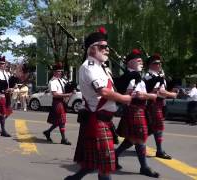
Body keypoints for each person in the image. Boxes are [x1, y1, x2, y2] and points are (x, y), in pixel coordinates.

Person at [65, 27, 132, 180]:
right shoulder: (88, 67)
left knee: (94, 163)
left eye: (107, 47)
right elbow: (103, 92)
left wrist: (129, 78)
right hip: (97, 120)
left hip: (104, 120)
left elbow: (114, 88)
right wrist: (124, 99)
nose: (107, 50)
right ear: (91, 49)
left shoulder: (103, 69)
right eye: (103, 47)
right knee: (105, 165)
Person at [115, 49, 159, 178]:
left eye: (141, 59)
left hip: (141, 109)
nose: (141, 61)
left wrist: (146, 95)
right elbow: (122, 95)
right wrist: (137, 95)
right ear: (129, 63)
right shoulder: (127, 78)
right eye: (137, 59)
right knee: (140, 138)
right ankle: (144, 167)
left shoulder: (139, 77)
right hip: (133, 109)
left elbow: (151, 96)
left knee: (131, 139)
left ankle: (114, 156)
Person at [144, 53, 177, 159]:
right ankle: (159, 150)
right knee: (158, 127)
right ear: (150, 65)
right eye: (156, 63)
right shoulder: (149, 76)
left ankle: (139, 145)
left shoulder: (158, 76)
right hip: (153, 104)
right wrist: (172, 95)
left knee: (151, 128)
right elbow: (160, 92)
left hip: (159, 104)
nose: (159, 65)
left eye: (159, 63)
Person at [43, 62, 72, 145]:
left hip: (62, 101)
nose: (60, 73)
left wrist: (71, 89)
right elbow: (55, 94)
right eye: (58, 71)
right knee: (62, 121)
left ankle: (48, 132)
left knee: (58, 121)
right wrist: (67, 95)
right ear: (54, 72)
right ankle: (63, 139)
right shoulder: (52, 82)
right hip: (57, 102)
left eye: (60, 71)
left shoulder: (61, 80)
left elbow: (66, 87)